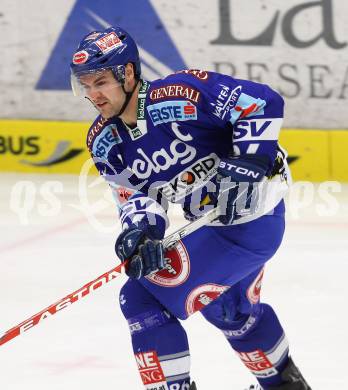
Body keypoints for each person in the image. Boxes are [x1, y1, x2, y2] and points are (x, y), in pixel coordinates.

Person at [70, 26, 311, 390]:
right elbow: (135, 197)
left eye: (100, 82)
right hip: (213, 225)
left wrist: (249, 160)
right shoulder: (104, 141)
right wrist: (141, 232)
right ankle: (286, 384)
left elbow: (261, 102)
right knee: (230, 311)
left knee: (138, 297)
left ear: (129, 73)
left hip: (252, 221)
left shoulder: (181, 92)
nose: (93, 95)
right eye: (85, 85)